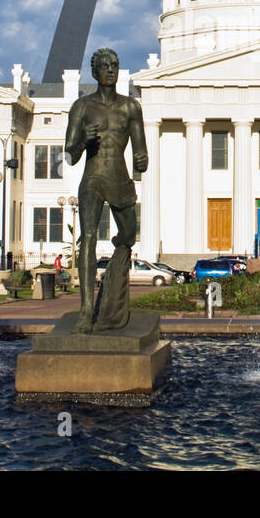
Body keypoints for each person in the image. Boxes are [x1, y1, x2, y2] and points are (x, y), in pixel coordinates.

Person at [64, 47, 148, 333]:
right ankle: (87, 311)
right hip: (93, 178)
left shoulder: (130, 107)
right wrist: (82, 142)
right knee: (87, 238)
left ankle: (113, 284)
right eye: (105, 66)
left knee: (127, 235)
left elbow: (141, 151)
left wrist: (142, 159)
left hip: (120, 179)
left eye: (115, 65)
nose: (111, 70)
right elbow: (70, 155)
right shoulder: (82, 107)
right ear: (95, 71)